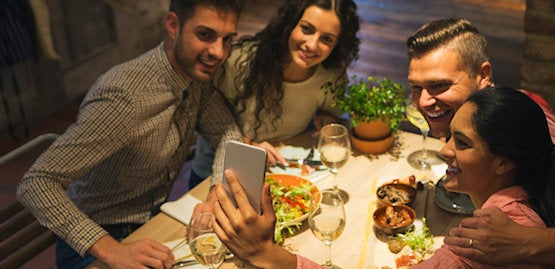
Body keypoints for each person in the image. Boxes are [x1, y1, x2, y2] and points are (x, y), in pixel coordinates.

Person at [16, 0, 248, 268]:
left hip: (151, 224)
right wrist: (111, 250)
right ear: (173, 25)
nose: (219, 52)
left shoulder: (194, 76)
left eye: (228, 40)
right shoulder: (124, 98)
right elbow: (36, 183)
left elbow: (228, 133)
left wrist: (215, 195)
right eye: (205, 35)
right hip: (96, 245)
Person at [406, 18, 555, 268]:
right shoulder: (494, 109)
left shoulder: (544, 140)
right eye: (416, 87)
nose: (423, 102)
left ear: (483, 75)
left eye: (439, 85)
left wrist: (523, 242)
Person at [188, 0, 360, 189]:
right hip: (215, 174)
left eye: (327, 39)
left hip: (281, 170)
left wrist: (326, 118)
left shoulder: (331, 76)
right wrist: (248, 144)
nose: (312, 45)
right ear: (289, 24)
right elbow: (205, 120)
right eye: (307, 29)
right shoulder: (240, 61)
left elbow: (333, 115)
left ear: (337, 44)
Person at [415, 86, 555, 268]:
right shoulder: (525, 205)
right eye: (450, 137)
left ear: (504, 163)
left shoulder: (482, 242)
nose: (444, 150)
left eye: (462, 143)